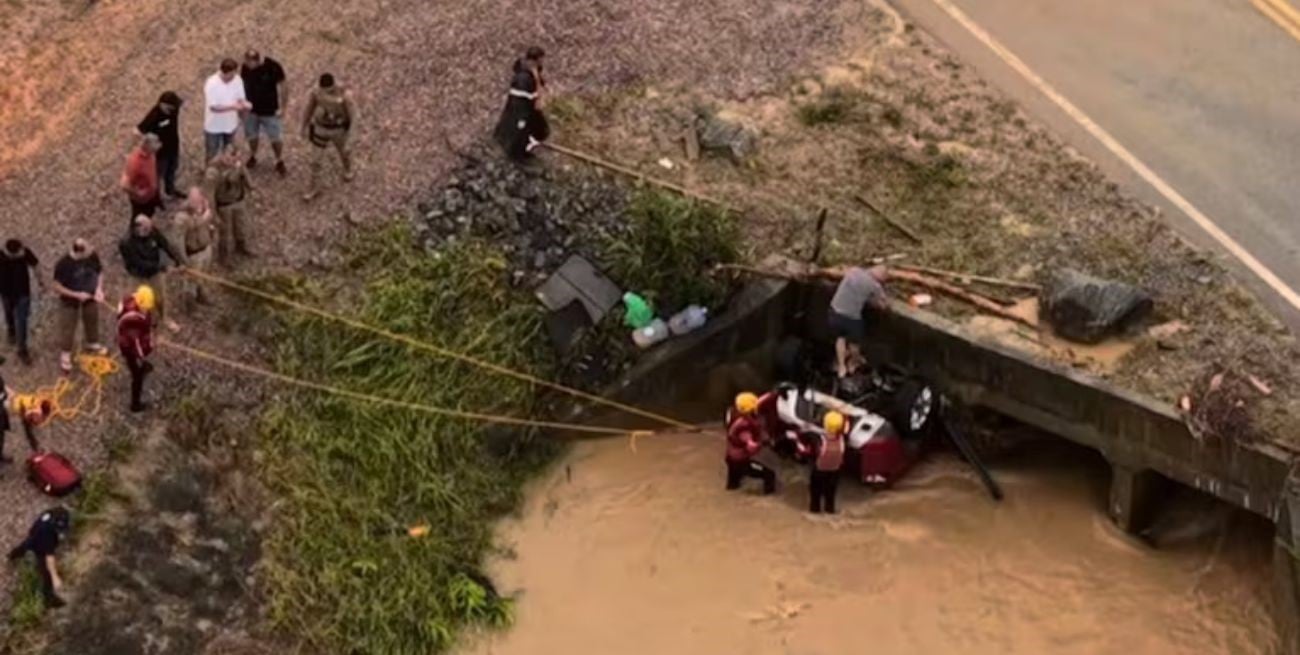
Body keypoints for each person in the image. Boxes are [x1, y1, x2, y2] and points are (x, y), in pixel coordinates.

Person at [119, 216, 183, 333]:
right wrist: (163, 267)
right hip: (138, 275)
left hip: (154, 272)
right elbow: (138, 263)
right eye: (147, 228)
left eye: (150, 227)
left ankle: (165, 319)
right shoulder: (127, 243)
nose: (150, 230)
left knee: (160, 297)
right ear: (138, 228)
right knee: (142, 300)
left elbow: (165, 244)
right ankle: (146, 322)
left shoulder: (152, 231)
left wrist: (177, 260)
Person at [51, 239, 105, 374]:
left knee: (92, 319)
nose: (90, 254)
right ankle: (65, 354)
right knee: (68, 327)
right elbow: (56, 286)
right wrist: (76, 295)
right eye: (86, 253)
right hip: (70, 301)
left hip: (90, 296)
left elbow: (100, 272)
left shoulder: (91, 255)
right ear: (79, 252)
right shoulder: (63, 264)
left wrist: (99, 289)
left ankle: (92, 343)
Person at [300, 73, 355, 201]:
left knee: (344, 152)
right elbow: (309, 108)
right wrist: (303, 125)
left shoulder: (345, 96)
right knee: (315, 160)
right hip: (320, 128)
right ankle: (314, 187)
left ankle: (348, 169)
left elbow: (354, 118)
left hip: (338, 130)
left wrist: (351, 141)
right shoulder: (316, 92)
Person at [828, 265, 889, 379]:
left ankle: (841, 367)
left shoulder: (854, 270)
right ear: (881, 279)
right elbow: (883, 304)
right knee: (854, 343)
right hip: (851, 317)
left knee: (840, 338)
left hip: (834, 310)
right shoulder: (874, 285)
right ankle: (854, 362)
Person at [7, 507, 71, 609]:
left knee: (25, 545)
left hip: (34, 534)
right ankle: (48, 599)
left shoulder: (50, 514)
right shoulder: (47, 535)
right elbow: (49, 558)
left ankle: (12, 555)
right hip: (38, 543)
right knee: (47, 574)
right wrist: (55, 578)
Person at [493, 46, 550, 160]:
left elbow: (538, 81)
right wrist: (535, 99)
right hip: (522, 108)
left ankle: (526, 144)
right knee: (521, 129)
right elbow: (522, 98)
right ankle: (519, 151)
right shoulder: (523, 78)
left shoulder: (533, 71)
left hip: (528, 106)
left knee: (538, 128)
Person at [240, 49, 289, 175]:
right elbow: (242, 85)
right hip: (251, 110)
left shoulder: (272, 67)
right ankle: (253, 155)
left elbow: (283, 86)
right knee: (252, 136)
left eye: (249, 63)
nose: (247, 66)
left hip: (269, 110)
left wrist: (283, 108)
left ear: (256, 61)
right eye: (246, 62)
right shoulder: (245, 68)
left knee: (275, 138)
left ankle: (279, 160)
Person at [203, 143, 254, 263]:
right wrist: (213, 214)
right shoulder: (213, 171)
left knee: (241, 226)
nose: (234, 161)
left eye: (237, 158)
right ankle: (224, 257)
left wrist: (250, 186)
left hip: (238, 200)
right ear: (224, 154)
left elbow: (244, 174)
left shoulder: (237, 164)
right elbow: (209, 194)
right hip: (224, 205)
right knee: (225, 233)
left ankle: (241, 246)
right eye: (230, 157)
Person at [167, 188, 216, 306]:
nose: (198, 203)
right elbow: (177, 242)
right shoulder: (182, 218)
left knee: (203, 275)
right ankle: (190, 303)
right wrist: (184, 260)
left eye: (200, 199)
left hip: (205, 248)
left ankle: (201, 294)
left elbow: (208, 226)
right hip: (193, 254)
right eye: (195, 201)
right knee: (190, 282)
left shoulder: (204, 209)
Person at [136, 91, 186, 199]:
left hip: (173, 147)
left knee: (172, 170)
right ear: (162, 104)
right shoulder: (154, 115)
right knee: (157, 176)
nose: (173, 110)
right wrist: (150, 141)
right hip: (161, 153)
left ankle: (170, 190)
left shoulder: (174, 110)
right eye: (170, 107)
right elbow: (138, 130)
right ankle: (155, 197)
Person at [724, 392, 777, 495]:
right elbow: (750, 445)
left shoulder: (732, 414)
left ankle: (731, 490)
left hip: (730, 458)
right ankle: (769, 494)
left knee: (733, 485)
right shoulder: (744, 426)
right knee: (769, 474)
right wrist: (760, 444)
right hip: (742, 462)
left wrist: (771, 394)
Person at [0, 240, 42, 364]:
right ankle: (11, 332)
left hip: (23, 293)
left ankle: (22, 349)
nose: (22, 252)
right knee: (9, 314)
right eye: (19, 252)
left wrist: (40, 281)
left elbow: (35, 265)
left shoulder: (24, 252)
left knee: (22, 321)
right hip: (6, 293)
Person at [203, 58, 251, 162]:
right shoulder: (212, 83)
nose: (234, 76)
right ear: (226, 73)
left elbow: (240, 97)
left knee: (230, 153)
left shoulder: (237, 80)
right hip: (214, 126)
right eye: (232, 74)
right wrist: (233, 107)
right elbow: (214, 107)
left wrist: (244, 104)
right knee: (212, 154)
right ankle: (211, 175)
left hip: (230, 125)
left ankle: (228, 174)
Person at [117, 287, 155, 413]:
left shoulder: (130, 299)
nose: (147, 309)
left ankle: (141, 368)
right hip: (129, 348)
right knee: (136, 376)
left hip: (128, 338)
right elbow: (137, 346)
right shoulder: (132, 323)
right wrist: (147, 351)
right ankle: (135, 404)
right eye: (145, 307)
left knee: (138, 365)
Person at [809, 411, 847, 514]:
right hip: (835, 473)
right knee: (830, 498)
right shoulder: (843, 439)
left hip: (819, 473)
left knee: (815, 498)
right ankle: (829, 512)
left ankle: (815, 511)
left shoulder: (819, 439)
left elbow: (812, 452)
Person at [120, 133, 164, 221]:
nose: (158, 148)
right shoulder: (135, 163)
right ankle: (135, 232)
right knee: (140, 217)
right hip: (142, 201)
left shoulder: (151, 154)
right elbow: (124, 184)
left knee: (151, 211)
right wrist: (137, 193)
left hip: (152, 193)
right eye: (155, 147)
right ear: (147, 147)